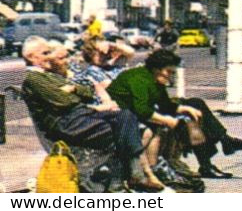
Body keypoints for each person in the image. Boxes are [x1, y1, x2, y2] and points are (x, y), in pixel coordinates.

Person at [21, 37, 164, 192]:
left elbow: (88, 92)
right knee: (122, 131)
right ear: (31, 57)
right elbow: (63, 101)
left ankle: (132, 176)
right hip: (68, 124)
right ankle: (127, 179)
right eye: (45, 53)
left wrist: (74, 90)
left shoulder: (48, 75)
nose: (49, 56)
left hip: (81, 116)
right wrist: (75, 92)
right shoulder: (33, 78)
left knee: (125, 115)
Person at [109, 47, 242, 185]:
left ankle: (223, 143)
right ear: (156, 69)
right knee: (188, 122)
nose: (171, 77)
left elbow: (165, 104)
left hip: (140, 111)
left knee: (195, 105)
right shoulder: (139, 79)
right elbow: (142, 110)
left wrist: (184, 108)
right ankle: (217, 151)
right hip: (122, 115)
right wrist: (168, 120)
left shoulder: (154, 79)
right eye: (169, 72)